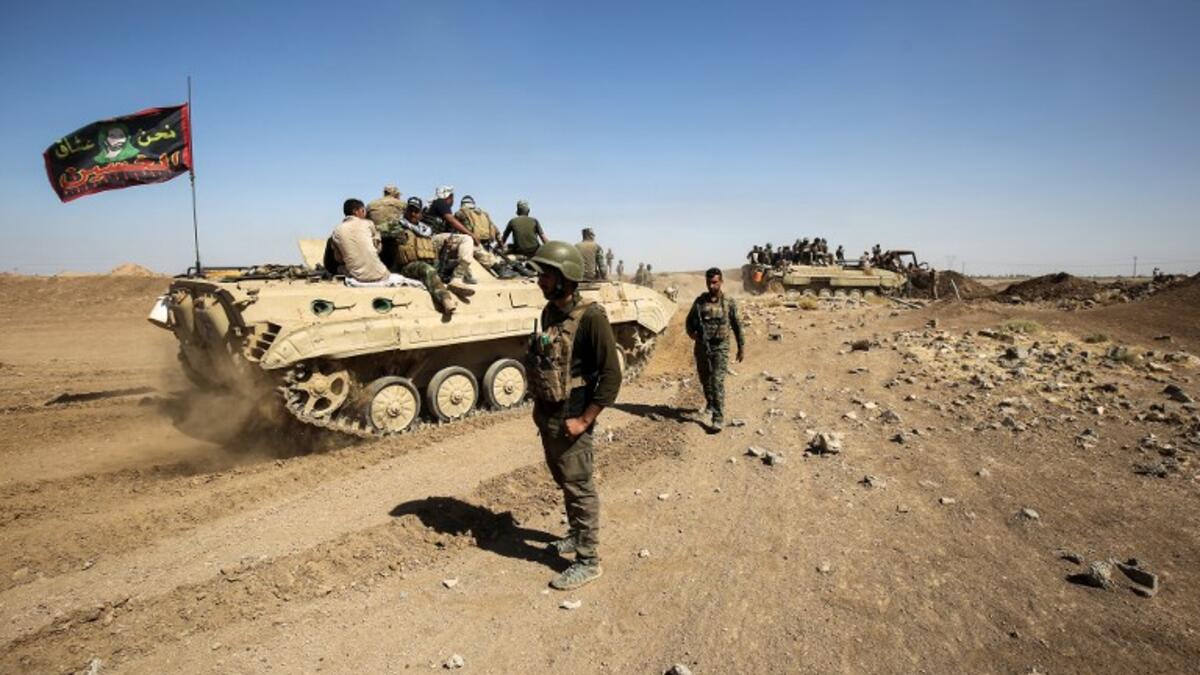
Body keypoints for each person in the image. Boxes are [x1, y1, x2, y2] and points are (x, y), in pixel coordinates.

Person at [527, 241, 622, 590]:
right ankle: (575, 534)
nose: (540, 281)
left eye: (546, 275)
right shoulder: (549, 313)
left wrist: (585, 420)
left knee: (579, 487)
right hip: (550, 415)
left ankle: (588, 560)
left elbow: (612, 376)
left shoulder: (591, 318)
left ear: (565, 278)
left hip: (574, 417)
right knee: (565, 480)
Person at [685, 267, 745, 431]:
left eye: (714, 282)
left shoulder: (728, 302)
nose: (711, 286)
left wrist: (741, 347)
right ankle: (711, 403)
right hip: (702, 347)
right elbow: (689, 322)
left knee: (717, 381)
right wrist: (693, 334)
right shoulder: (699, 302)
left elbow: (737, 326)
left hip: (720, 347)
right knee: (705, 380)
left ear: (721, 282)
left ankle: (718, 417)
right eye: (708, 282)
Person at [393, 197, 469, 314]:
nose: (413, 214)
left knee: (458, 262)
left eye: (416, 211)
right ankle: (445, 299)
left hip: (430, 262)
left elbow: (433, 253)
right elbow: (381, 231)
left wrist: (444, 248)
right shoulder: (398, 226)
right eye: (410, 210)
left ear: (420, 215)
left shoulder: (427, 231)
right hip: (408, 266)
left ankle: (456, 283)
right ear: (406, 211)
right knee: (427, 269)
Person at [425, 186, 479, 284]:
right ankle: (457, 277)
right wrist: (471, 234)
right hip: (432, 239)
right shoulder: (440, 202)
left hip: (434, 241)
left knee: (465, 249)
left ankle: (466, 274)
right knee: (467, 239)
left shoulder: (435, 206)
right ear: (451, 196)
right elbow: (451, 220)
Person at [331, 198, 389, 283]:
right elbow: (378, 249)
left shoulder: (337, 230)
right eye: (363, 211)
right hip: (381, 274)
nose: (365, 214)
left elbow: (339, 258)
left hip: (357, 276)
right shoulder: (369, 224)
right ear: (355, 211)